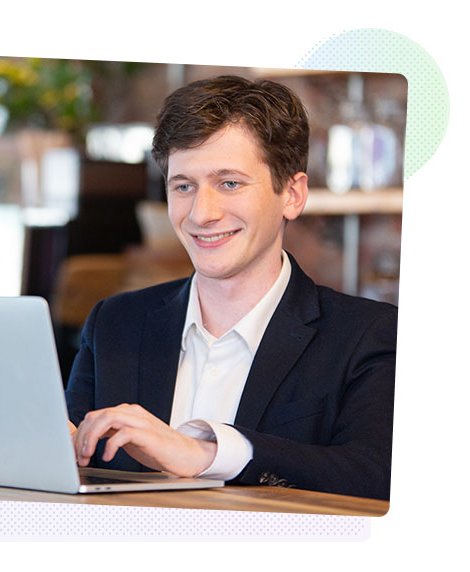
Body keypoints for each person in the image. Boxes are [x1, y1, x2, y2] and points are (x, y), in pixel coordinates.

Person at [65, 76, 397, 500]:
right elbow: (74, 462)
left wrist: (205, 455)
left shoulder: (369, 336)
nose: (202, 214)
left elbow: (375, 477)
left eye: (229, 183)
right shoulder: (114, 322)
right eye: (183, 186)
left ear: (292, 195)